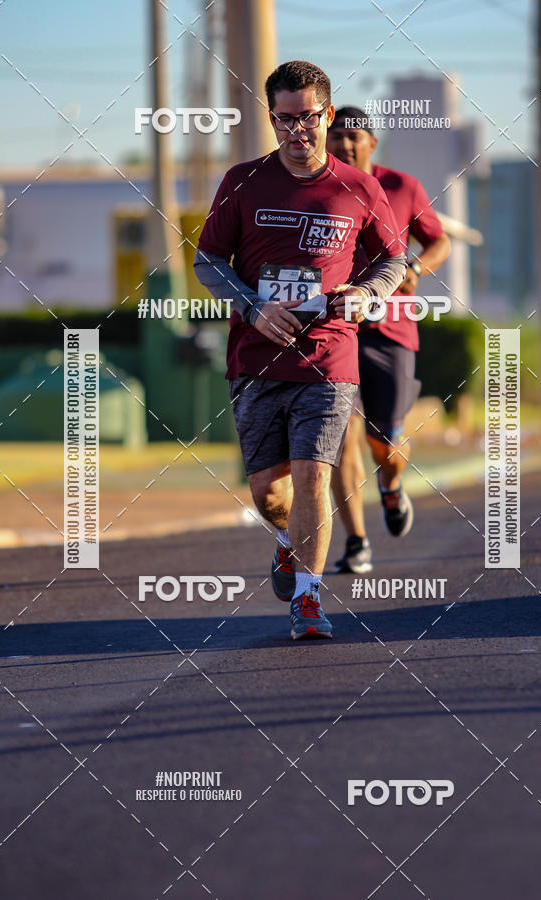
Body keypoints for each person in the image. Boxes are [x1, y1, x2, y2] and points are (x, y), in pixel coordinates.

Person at [194, 63, 406, 639]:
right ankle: (286, 541)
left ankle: (309, 600)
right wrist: (253, 306)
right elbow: (207, 261)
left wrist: (366, 293)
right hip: (256, 360)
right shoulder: (243, 181)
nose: (297, 131)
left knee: (315, 475)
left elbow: (394, 258)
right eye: (285, 120)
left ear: (327, 115)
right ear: (272, 119)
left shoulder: (358, 188)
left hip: (329, 357)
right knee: (270, 495)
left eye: (308, 118)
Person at [327, 107, 451, 573]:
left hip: (391, 329)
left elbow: (438, 240)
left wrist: (416, 268)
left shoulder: (401, 186)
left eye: (353, 136)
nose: (343, 144)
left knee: (387, 444)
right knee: (341, 437)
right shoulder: (317, 188)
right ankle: (357, 540)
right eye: (335, 135)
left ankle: (392, 485)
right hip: (334, 330)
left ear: (372, 142)